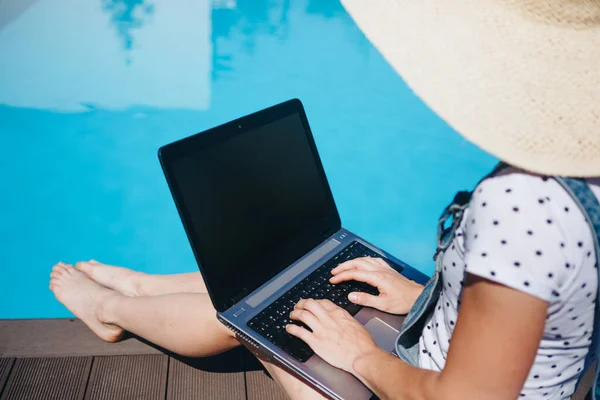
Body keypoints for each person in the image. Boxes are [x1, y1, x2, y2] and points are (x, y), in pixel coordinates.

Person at [49, 0, 600, 399]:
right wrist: (422, 298)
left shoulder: (523, 201)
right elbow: (542, 305)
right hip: (503, 368)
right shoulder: (582, 179)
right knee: (287, 279)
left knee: (258, 317)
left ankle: (111, 308)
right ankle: (147, 288)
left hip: (418, 381)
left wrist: (358, 353)